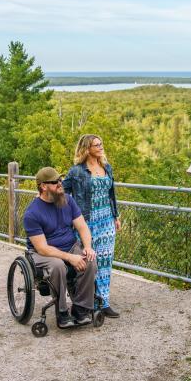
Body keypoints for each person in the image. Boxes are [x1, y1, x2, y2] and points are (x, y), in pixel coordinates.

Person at [23, 166, 97, 328]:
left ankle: (81, 308)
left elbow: (82, 226)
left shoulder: (68, 200)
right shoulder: (32, 214)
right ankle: (62, 312)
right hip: (44, 253)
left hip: (70, 246)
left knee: (90, 261)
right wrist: (70, 258)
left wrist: (88, 247)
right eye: (55, 181)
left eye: (60, 180)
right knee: (58, 266)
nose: (60, 184)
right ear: (43, 186)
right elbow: (42, 248)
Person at [63, 134, 121, 318]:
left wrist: (116, 215)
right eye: (96, 145)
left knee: (105, 262)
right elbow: (63, 192)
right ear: (87, 149)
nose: (101, 147)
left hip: (106, 221)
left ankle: (103, 302)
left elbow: (112, 194)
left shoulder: (106, 167)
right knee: (90, 261)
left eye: (101, 144)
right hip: (86, 222)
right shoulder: (76, 171)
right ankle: (89, 301)